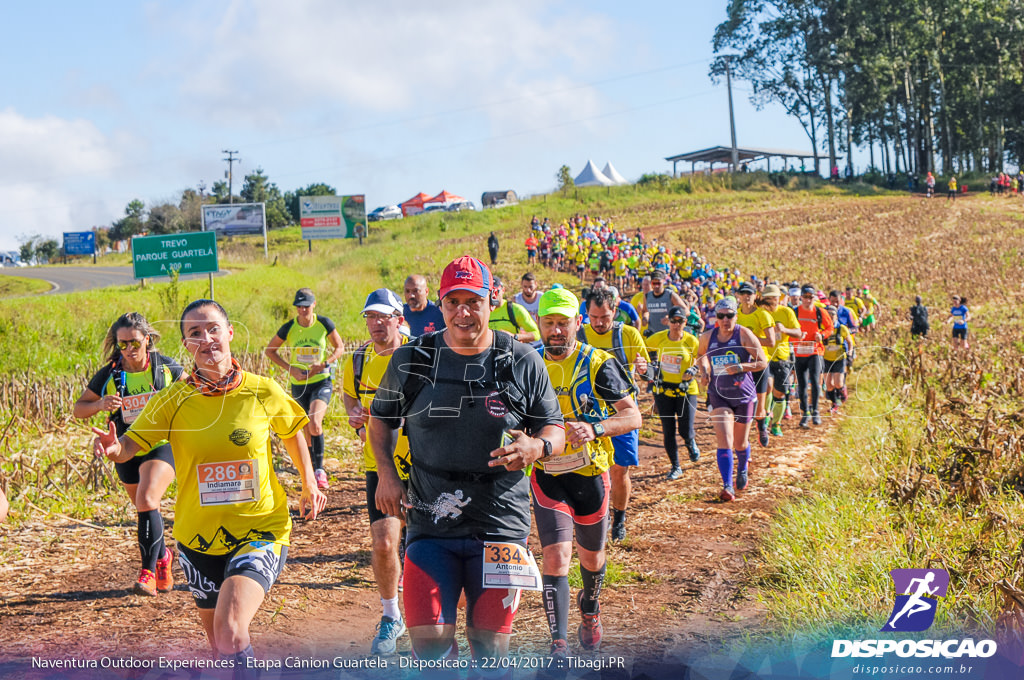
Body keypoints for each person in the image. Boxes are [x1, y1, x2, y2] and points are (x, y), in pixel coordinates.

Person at [93, 299, 327, 668]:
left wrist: (309, 481)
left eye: (214, 329)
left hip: (261, 529)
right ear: (186, 345)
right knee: (221, 647)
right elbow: (129, 447)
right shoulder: (173, 399)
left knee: (231, 630)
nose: (207, 339)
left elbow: (293, 431)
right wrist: (114, 447)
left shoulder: (262, 390)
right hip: (197, 538)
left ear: (230, 333)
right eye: (195, 333)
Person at [368, 256, 565, 667]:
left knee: (491, 651)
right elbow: (381, 420)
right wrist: (386, 474)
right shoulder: (411, 359)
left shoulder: (523, 360)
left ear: (492, 300)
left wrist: (536, 448)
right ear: (439, 305)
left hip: (501, 524)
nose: (463, 311)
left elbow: (555, 429)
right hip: (430, 521)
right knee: (429, 644)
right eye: (453, 301)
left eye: (472, 300)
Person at [534, 288, 641, 657]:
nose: (556, 331)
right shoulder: (527, 361)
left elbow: (633, 415)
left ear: (577, 324)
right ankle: (558, 644)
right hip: (547, 474)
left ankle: (590, 609)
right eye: (549, 323)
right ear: (538, 323)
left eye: (563, 323)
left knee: (591, 560)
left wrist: (594, 429)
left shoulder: (597, 362)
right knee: (555, 556)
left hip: (590, 473)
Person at [73, 312, 184, 596]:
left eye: (134, 342)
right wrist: (100, 404)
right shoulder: (110, 373)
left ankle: (147, 572)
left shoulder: (165, 367)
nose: (129, 350)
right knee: (145, 507)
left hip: (161, 444)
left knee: (148, 499)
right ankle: (163, 558)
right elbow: (79, 409)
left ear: (147, 339)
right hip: (124, 447)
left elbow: (194, 394)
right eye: (122, 344)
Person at [342, 289, 411, 655]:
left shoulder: (422, 352)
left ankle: (436, 615)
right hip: (379, 464)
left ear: (399, 318)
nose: (376, 323)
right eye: (370, 316)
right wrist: (354, 416)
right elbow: (350, 398)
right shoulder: (357, 359)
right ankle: (390, 615)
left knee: (423, 546)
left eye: (383, 316)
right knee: (385, 543)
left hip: (424, 464)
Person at [579, 288, 649, 542]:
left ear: (614, 313)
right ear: (586, 314)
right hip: (587, 415)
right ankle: (596, 517)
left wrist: (644, 369)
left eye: (604, 318)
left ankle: (619, 518)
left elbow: (649, 373)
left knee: (620, 470)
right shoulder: (578, 334)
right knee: (590, 471)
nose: (598, 323)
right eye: (593, 317)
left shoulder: (628, 334)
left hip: (621, 416)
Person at [264, 288, 344, 490]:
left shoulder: (324, 324)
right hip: (300, 384)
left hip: (321, 381)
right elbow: (270, 350)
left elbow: (339, 347)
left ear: (313, 305)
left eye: (306, 306)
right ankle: (310, 471)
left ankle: (320, 471)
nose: (302, 310)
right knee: (305, 429)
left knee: (315, 422)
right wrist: (291, 369)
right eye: (298, 306)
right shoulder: (289, 327)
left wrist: (325, 363)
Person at [695, 298, 767, 501]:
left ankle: (743, 466)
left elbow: (762, 362)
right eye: (721, 316)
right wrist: (704, 372)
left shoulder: (744, 334)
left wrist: (741, 367)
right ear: (716, 318)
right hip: (719, 394)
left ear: (736, 316)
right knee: (724, 439)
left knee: (740, 443)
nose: (725, 320)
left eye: (729, 315)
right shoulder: (708, 337)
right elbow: (701, 356)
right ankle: (727, 485)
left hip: (744, 396)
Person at [645, 305, 700, 480]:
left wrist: (694, 369)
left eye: (680, 321)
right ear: (668, 321)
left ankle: (690, 442)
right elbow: (641, 348)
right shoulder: (659, 338)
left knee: (685, 429)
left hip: (686, 390)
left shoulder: (691, 341)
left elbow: (702, 359)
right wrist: (651, 365)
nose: (676, 325)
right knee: (668, 430)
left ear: (685, 322)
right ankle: (675, 466)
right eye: (673, 321)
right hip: (664, 390)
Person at [735, 281, 777, 447]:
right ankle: (741, 438)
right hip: (740, 364)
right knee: (740, 402)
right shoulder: (735, 314)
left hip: (759, 363)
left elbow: (771, 341)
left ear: (755, 296)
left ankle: (762, 427)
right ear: (738, 296)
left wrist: (749, 340)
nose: (746, 297)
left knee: (760, 405)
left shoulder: (762, 315)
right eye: (743, 293)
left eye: (749, 294)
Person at [760, 285, 801, 437]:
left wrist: (784, 330)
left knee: (780, 393)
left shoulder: (787, 312)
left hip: (782, 357)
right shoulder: (761, 313)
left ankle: (776, 424)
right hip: (765, 356)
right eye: (768, 297)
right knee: (768, 387)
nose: (772, 300)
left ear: (780, 298)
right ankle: (764, 417)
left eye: (774, 297)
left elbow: (798, 333)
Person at [793, 285, 835, 428]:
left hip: (815, 351)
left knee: (816, 382)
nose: (807, 300)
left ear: (814, 298)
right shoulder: (795, 312)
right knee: (802, 385)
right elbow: (789, 329)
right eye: (805, 297)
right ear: (801, 298)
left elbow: (830, 327)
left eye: (810, 297)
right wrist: (795, 338)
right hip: (799, 352)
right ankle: (806, 413)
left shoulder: (819, 312)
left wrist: (821, 335)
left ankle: (816, 411)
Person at [488, 276, 540, 344]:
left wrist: (514, 336)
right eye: (490, 292)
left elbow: (536, 334)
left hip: (509, 352)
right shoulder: (481, 310)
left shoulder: (515, 309)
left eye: (496, 291)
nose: (493, 295)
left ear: (503, 290)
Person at [822, 307, 852, 414]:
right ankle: (834, 403)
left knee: (838, 383)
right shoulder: (822, 329)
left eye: (832, 314)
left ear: (836, 316)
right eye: (828, 314)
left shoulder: (842, 328)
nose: (830, 316)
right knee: (829, 385)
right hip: (826, 359)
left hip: (839, 358)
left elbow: (849, 342)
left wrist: (850, 354)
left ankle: (843, 393)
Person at [644, 270, 684, 337]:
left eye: (658, 283)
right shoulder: (647, 296)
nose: (656, 286)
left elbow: (686, 310)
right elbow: (645, 311)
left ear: (663, 282)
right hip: (653, 334)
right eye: (654, 283)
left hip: (668, 335)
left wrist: (671, 317)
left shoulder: (670, 295)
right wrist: (645, 318)